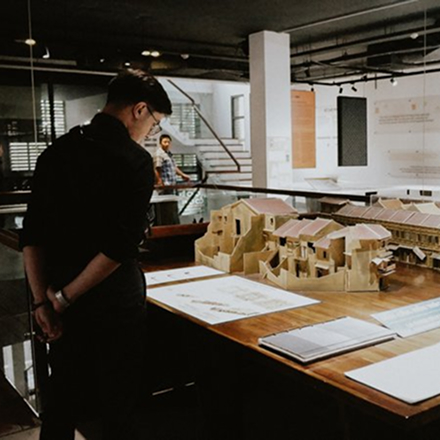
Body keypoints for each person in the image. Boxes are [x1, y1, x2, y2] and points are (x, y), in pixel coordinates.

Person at [20, 69, 172, 440]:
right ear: (139, 110)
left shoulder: (55, 153)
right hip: (113, 303)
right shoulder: (135, 161)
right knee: (119, 406)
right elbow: (118, 249)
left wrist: (44, 302)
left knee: (62, 401)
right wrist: (64, 297)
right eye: (153, 123)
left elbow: (32, 235)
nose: (150, 132)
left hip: (59, 299)